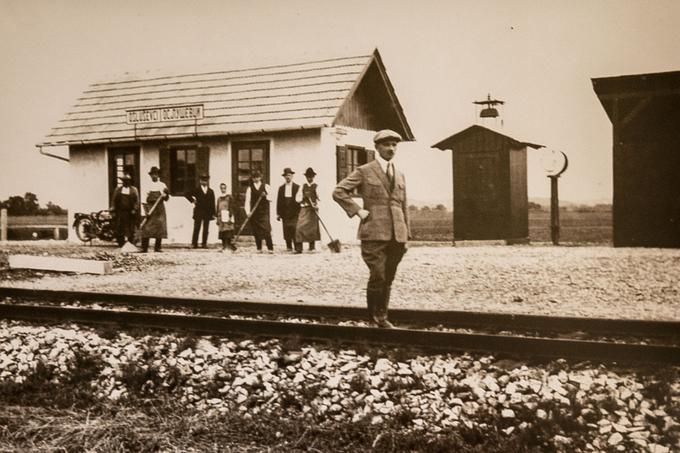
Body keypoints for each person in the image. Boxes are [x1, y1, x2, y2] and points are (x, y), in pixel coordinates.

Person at [333, 130, 411, 328]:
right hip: (374, 232)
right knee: (378, 275)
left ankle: (382, 317)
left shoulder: (400, 174)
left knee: (389, 277)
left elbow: (404, 206)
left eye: (394, 145)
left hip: (397, 235)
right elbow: (339, 191)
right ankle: (373, 319)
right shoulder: (365, 170)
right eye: (386, 145)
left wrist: (407, 235)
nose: (391, 148)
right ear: (377, 147)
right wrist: (358, 211)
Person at [244, 169, 274, 253]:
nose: (256, 179)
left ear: (260, 177)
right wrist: (248, 212)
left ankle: (270, 248)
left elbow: (271, 198)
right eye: (254, 178)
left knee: (267, 230)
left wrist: (266, 196)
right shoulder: (250, 188)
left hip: (264, 213)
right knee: (256, 231)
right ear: (252, 178)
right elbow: (247, 201)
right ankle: (259, 248)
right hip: (254, 213)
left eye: (257, 177)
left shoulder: (266, 186)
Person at [141, 166, 170, 253]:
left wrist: (166, 195)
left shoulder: (162, 185)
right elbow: (143, 199)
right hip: (150, 207)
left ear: (158, 175)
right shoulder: (147, 185)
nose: (154, 176)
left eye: (156, 174)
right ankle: (144, 247)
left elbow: (166, 199)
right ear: (150, 176)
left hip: (160, 208)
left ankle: (157, 247)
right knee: (147, 227)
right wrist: (146, 211)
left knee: (160, 226)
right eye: (153, 174)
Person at [185, 173, 215, 248]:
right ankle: (194, 243)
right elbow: (186, 194)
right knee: (197, 228)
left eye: (206, 180)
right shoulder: (197, 189)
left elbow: (212, 203)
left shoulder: (211, 191)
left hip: (207, 212)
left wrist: (213, 213)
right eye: (202, 180)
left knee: (206, 228)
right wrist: (193, 200)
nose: (204, 181)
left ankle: (204, 243)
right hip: (199, 211)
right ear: (200, 181)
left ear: (208, 181)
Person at [110, 172, 140, 247]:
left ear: (129, 181)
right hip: (120, 212)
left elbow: (137, 201)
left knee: (131, 228)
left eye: (127, 181)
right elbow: (114, 200)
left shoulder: (134, 190)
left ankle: (130, 242)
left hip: (130, 212)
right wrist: (113, 208)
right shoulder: (118, 190)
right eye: (124, 181)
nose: (126, 182)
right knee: (120, 227)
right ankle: (120, 242)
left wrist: (135, 209)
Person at [276, 167, 302, 253]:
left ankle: (298, 248)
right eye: (286, 176)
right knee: (286, 229)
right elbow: (279, 201)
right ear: (284, 177)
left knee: (295, 229)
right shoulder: (281, 188)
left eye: (289, 175)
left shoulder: (297, 187)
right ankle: (289, 246)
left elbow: (299, 200)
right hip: (285, 212)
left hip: (294, 212)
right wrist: (278, 213)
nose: (288, 177)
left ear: (292, 176)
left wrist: (299, 212)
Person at [295, 167, 321, 252]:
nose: (309, 178)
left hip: (313, 210)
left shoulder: (316, 186)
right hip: (304, 208)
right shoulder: (303, 186)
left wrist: (316, 205)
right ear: (306, 177)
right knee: (299, 227)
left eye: (311, 176)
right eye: (308, 176)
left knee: (312, 228)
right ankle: (299, 248)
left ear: (313, 177)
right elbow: (297, 198)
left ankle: (312, 246)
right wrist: (302, 197)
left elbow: (320, 198)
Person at [216, 182, 236, 251]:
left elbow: (231, 206)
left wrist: (230, 215)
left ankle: (229, 246)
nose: (223, 190)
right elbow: (218, 207)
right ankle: (224, 246)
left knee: (228, 231)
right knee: (222, 232)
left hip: (227, 215)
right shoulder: (219, 198)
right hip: (221, 216)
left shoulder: (229, 197)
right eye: (221, 188)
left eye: (224, 188)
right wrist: (217, 217)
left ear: (226, 189)